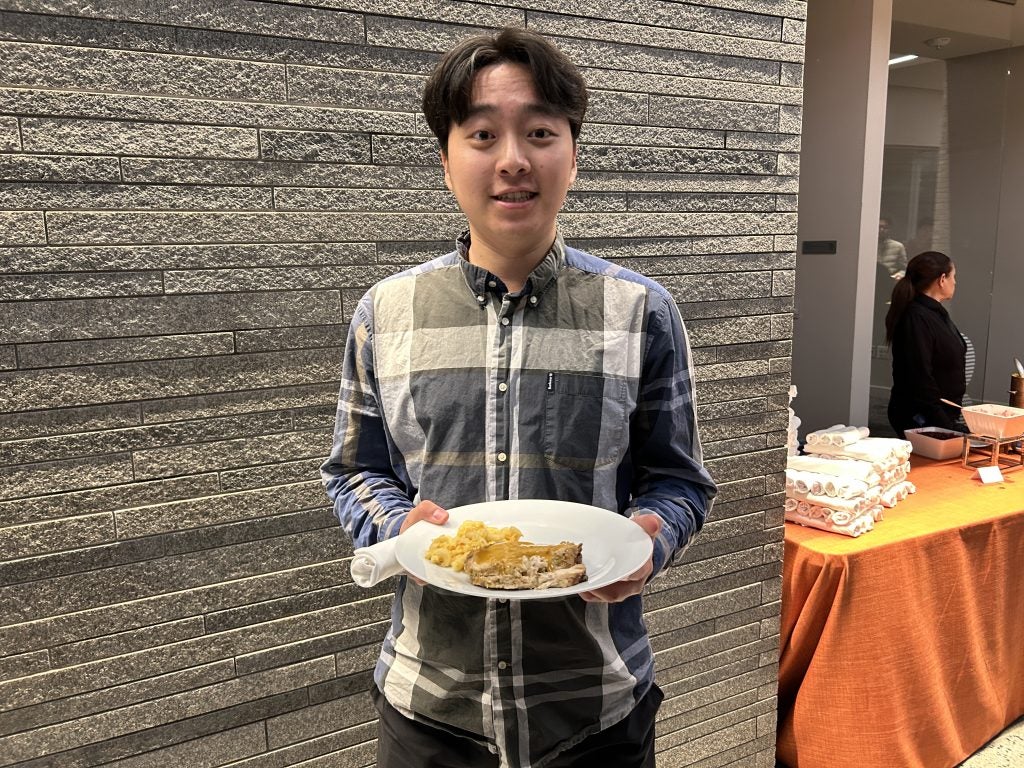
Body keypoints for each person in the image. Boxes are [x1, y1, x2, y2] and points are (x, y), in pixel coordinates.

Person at [320, 27, 717, 768]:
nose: (512, 160)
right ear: (445, 161)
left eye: (539, 132)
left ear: (573, 154)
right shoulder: (386, 311)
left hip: (595, 707)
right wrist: (395, 524)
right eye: (481, 134)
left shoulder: (641, 311)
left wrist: (647, 542)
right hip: (430, 709)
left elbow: (680, 480)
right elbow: (353, 470)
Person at [885, 251, 966, 437]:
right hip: (923, 417)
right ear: (942, 279)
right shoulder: (916, 317)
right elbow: (918, 376)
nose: (956, 282)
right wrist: (942, 422)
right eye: (954, 276)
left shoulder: (934, 313)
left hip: (940, 415)